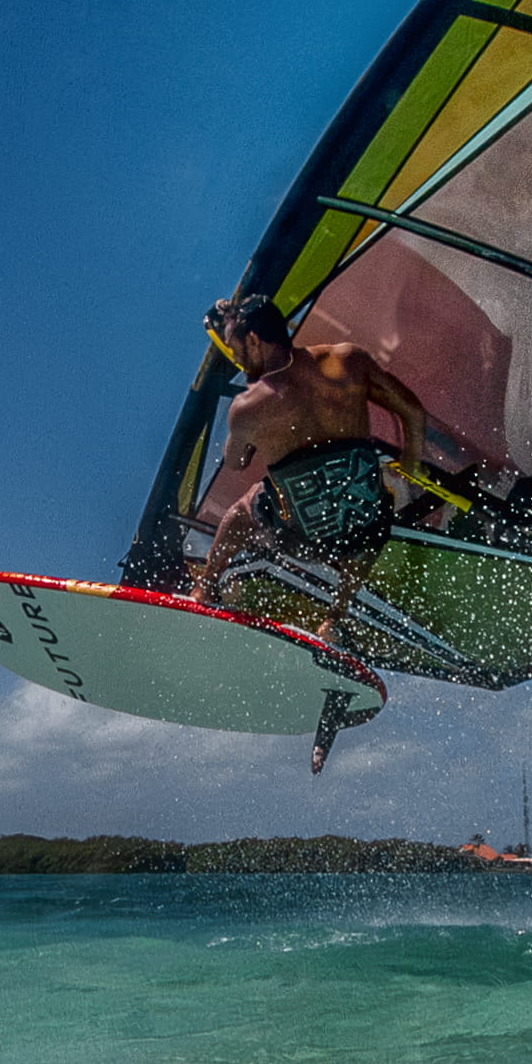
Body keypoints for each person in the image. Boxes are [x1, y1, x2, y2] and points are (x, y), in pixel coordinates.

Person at [191, 295, 426, 771]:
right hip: (362, 530)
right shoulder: (348, 360)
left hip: (304, 537)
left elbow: (235, 461)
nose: (234, 355)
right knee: (373, 503)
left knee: (243, 509)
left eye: (235, 346)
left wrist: (255, 425)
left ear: (254, 340)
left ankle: (205, 587)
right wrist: (412, 467)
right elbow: (413, 413)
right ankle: (334, 617)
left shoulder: (249, 407)